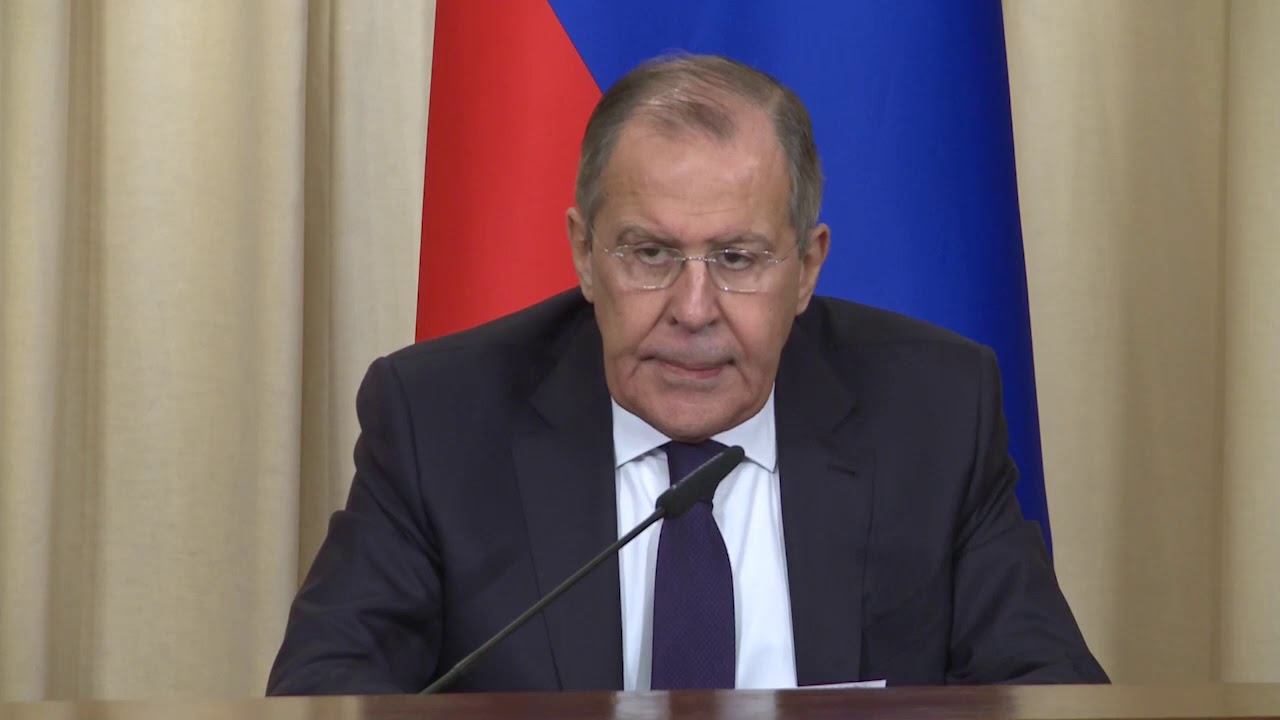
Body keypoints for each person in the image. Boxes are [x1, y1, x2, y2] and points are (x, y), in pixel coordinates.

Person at [267, 54, 1107, 695]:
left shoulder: (933, 412)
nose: (694, 308)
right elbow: (324, 693)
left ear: (807, 268)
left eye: (737, 258)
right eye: (650, 253)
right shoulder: (441, 421)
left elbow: (1048, 693)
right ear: (584, 255)